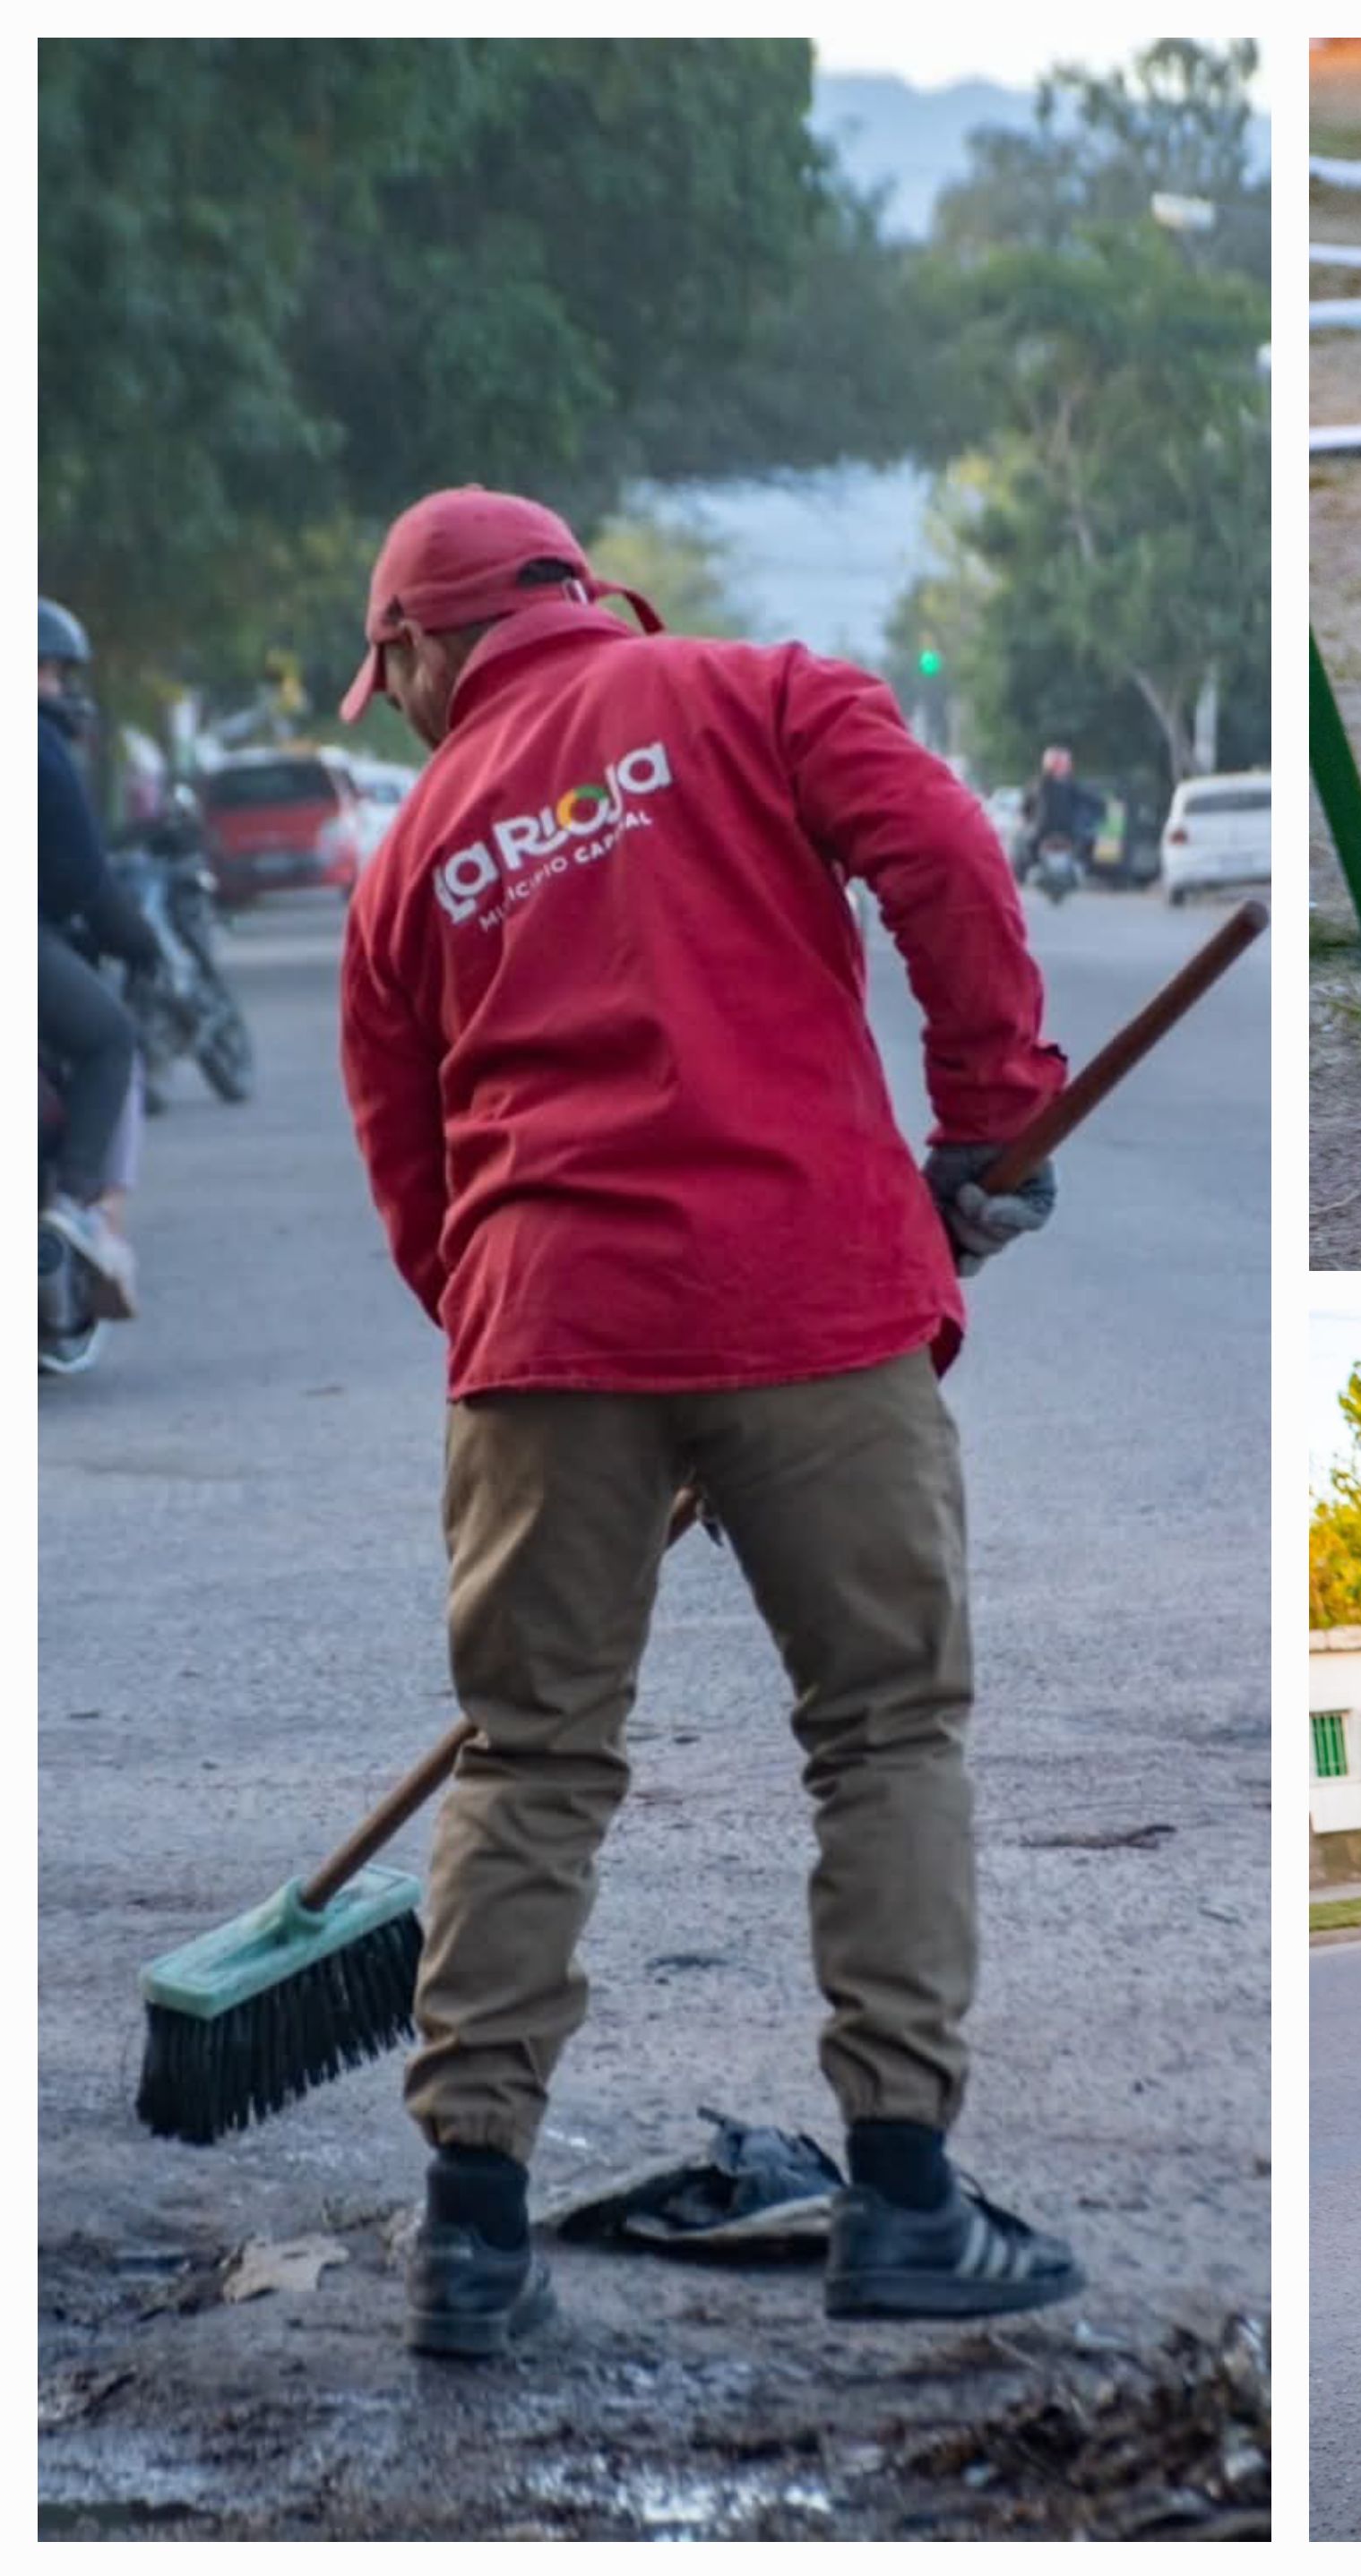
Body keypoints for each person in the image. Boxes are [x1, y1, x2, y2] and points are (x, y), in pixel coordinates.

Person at [335, 487, 1078, 2358]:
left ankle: (469, 2238)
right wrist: (990, 1111)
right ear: (579, 598)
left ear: (422, 643)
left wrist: (545, 1346)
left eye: (387, 672)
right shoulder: (758, 692)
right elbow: (944, 850)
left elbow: (414, 1179)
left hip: (545, 1334)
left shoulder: (407, 858)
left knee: (529, 1758)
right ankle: (905, 2204)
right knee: (885, 1731)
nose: (396, 708)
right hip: (811, 1296)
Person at [39, 595, 158, 1319]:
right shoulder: (36, 744)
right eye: (48, 671)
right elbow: (84, 875)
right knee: (111, 1038)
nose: (55, 687)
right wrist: (135, 939)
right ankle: (76, 1207)